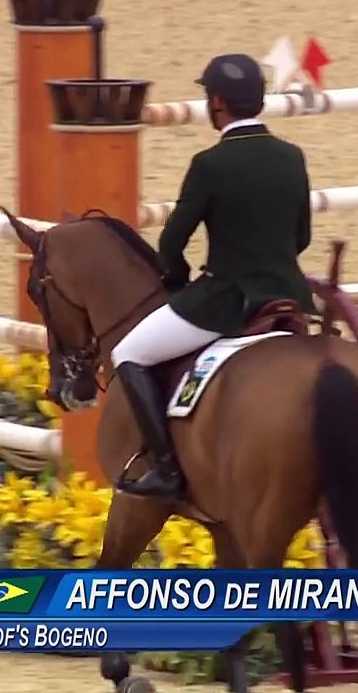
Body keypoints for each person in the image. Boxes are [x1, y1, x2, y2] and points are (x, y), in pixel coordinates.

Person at [109, 53, 317, 500]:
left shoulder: (210, 164)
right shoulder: (291, 157)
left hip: (228, 299)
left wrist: (177, 279)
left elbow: (171, 242)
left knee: (129, 353)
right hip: (291, 295)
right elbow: (301, 237)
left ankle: (166, 468)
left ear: (217, 103)